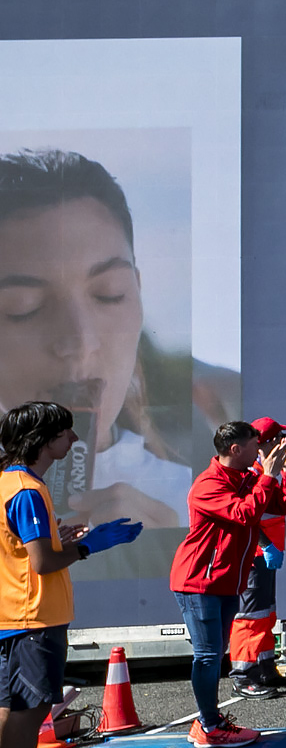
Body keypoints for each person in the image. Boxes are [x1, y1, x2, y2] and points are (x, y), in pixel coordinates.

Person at [0, 150, 191, 536]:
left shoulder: (192, 501)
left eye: (109, 293)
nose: (79, 341)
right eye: (24, 307)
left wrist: (171, 553)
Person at [1, 402, 141, 748]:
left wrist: (59, 541)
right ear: (43, 440)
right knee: (25, 718)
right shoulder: (27, 489)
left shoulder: (8, 482)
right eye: (67, 433)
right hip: (32, 618)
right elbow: (41, 563)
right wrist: (88, 547)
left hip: (17, 616)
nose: (75, 440)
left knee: (13, 715)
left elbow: (23, 551)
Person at [174, 420, 286, 747]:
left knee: (214, 653)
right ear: (235, 449)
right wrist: (269, 475)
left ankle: (208, 722)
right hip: (199, 581)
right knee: (208, 656)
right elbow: (244, 514)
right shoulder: (208, 484)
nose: (260, 451)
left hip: (226, 582)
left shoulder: (245, 477)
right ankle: (210, 725)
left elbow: (284, 505)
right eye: (255, 445)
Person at [227, 417, 286, 700]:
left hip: (267, 555)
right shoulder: (251, 475)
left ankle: (265, 667)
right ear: (263, 444)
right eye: (278, 439)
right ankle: (243, 675)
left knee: (265, 613)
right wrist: (266, 546)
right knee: (250, 616)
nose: (284, 444)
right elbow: (247, 517)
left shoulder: (269, 471)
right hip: (253, 555)